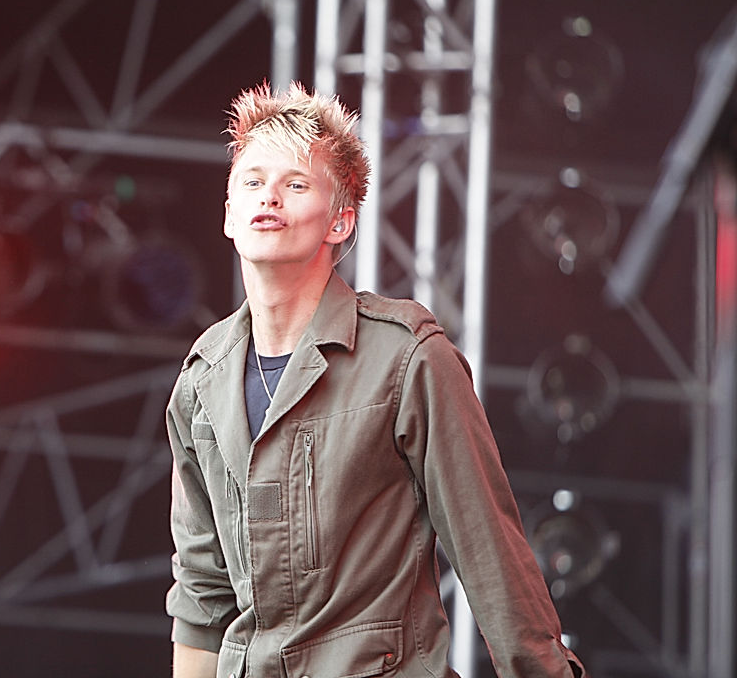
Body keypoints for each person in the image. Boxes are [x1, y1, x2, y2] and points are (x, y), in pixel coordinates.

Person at [165, 83, 586, 678]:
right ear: (230, 215)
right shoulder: (203, 379)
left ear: (340, 221)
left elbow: (488, 548)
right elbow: (202, 594)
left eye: (296, 184)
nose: (270, 198)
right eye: (252, 182)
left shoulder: (405, 356)